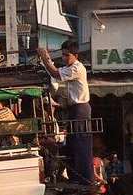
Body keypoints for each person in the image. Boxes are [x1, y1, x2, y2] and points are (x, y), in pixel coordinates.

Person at [38, 41, 94, 187]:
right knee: (73, 144)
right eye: (62, 55)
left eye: (66, 55)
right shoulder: (70, 68)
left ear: (75, 55)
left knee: (81, 144)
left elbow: (55, 73)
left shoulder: (77, 67)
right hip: (74, 109)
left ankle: (84, 179)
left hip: (81, 109)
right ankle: (76, 177)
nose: (64, 58)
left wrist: (45, 58)